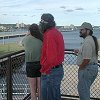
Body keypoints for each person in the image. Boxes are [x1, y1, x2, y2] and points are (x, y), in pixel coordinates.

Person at [39, 13, 65, 100]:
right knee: (55, 96)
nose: (40, 23)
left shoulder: (49, 34)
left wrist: (44, 70)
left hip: (50, 72)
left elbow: (51, 58)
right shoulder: (56, 32)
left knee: (48, 97)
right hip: (56, 70)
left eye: (41, 21)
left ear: (45, 23)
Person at [76, 22, 99, 100]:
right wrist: (79, 52)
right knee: (85, 90)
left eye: (82, 30)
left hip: (87, 69)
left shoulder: (87, 42)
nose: (80, 31)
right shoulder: (92, 39)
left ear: (88, 31)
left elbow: (87, 59)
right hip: (91, 68)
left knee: (83, 92)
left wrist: (80, 68)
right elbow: (89, 54)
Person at [21, 24, 43, 100]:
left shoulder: (26, 39)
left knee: (32, 88)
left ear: (30, 31)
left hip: (30, 65)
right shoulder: (41, 39)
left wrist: (27, 35)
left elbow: (20, 43)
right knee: (40, 87)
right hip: (41, 64)